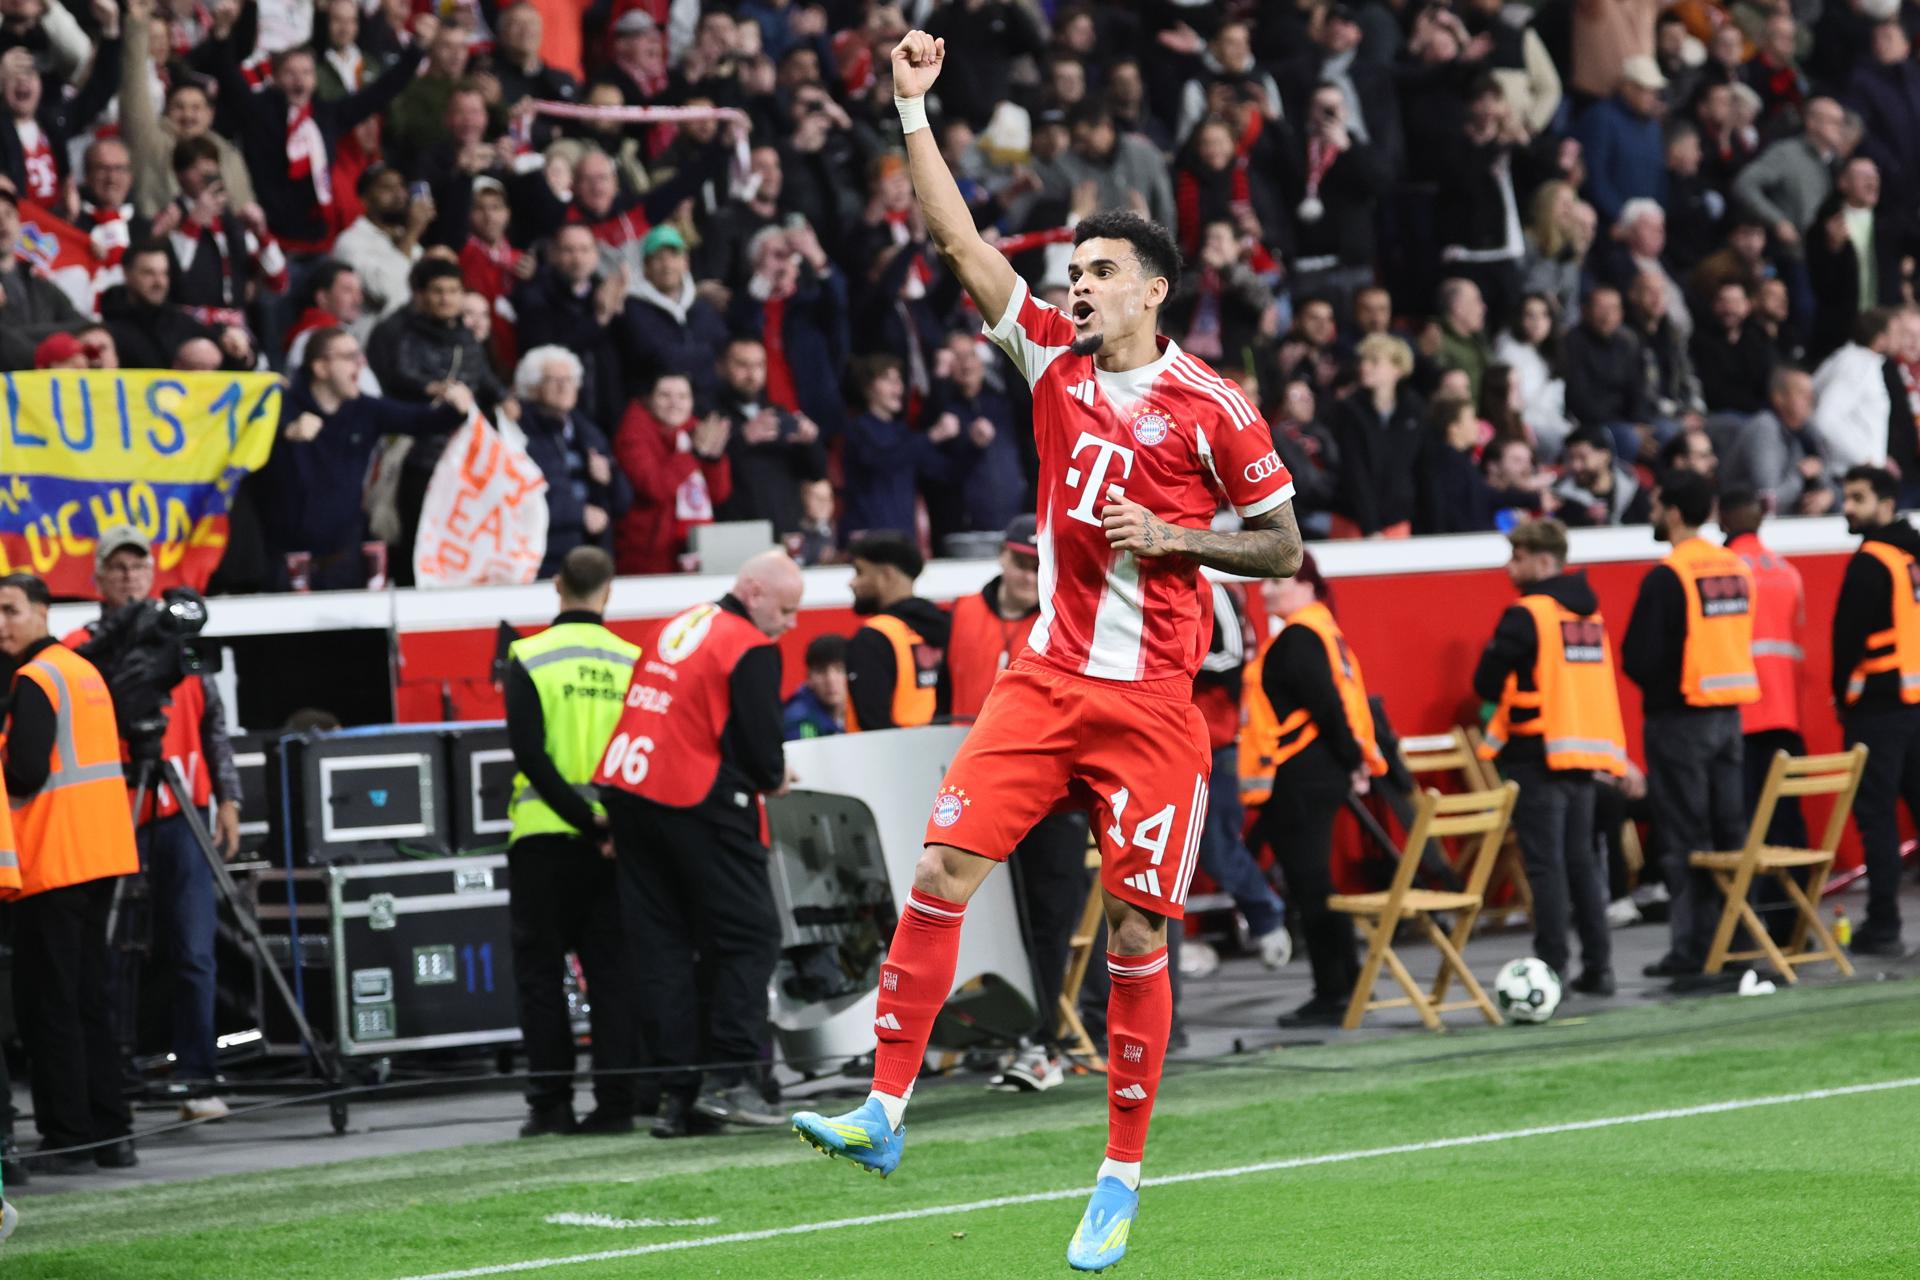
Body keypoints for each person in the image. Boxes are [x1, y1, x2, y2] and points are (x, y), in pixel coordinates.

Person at [791, 33, 1304, 1273]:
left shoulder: (1217, 407)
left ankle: (1120, 1175)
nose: (1075, 285)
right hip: (1046, 677)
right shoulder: (1051, 362)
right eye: (1071, 270)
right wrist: (913, 109)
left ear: (1152, 291)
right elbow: (961, 242)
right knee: (942, 870)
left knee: (1135, 935)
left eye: (1100, 271)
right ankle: (885, 1109)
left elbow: (1282, 544)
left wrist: (1175, 533)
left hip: (1152, 707)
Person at [596, 551, 802, 1136]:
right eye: (786, 609)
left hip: (630, 793)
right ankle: (733, 1079)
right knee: (750, 934)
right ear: (755, 591)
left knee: (663, 951)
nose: (791, 623)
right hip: (695, 800)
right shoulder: (747, 645)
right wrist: (773, 777)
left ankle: (678, 1096)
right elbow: (764, 759)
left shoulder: (677, 623)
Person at [64, 527, 241, 1121]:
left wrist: (229, 799)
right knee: (111, 953)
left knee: (195, 950)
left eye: (139, 567)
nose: (131, 578)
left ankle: (197, 1079)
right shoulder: (82, 648)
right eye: (118, 568)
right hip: (112, 812)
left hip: (178, 810)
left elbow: (213, 723)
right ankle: (110, 1080)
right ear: (98, 579)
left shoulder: (177, 638)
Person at [945, 514, 1092, 1091]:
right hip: (978, 787)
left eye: (1039, 565)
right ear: (1002, 560)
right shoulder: (960, 615)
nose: (1029, 575)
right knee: (974, 918)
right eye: (1020, 562)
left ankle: (1042, 1041)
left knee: (1046, 919)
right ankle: (995, 1034)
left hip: (1050, 793)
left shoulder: (1068, 618)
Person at [0, 572, 140, 1172]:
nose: (1, 624)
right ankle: (112, 1132)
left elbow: (26, 772)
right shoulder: (84, 671)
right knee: (90, 1000)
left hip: (54, 858)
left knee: (50, 1004)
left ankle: (68, 1137)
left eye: (10, 611)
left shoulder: (34, 679)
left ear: (41, 611)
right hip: (102, 853)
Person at [501, 547, 641, 1137]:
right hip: (615, 846)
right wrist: (610, 826)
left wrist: (583, 820)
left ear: (557, 586)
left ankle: (551, 1103)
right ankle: (616, 1105)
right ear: (609, 592)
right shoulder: (635, 662)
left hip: (542, 841)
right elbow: (643, 760)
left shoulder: (528, 657)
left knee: (541, 977)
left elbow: (530, 757)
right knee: (612, 976)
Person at [1474, 518, 1627, 994]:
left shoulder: (1528, 614)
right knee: (1581, 862)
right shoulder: (1589, 615)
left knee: (1545, 866)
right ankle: (1599, 967)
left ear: (1543, 560)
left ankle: (1551, 969)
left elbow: (1484, 682)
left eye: (1517, 556)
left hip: (1536, 754)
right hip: (1582, 755)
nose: (1508, 566)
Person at [1622, 471, 1760, 980]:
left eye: (1658, 507)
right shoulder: (1735, 566)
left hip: (1680, 719)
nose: (1654, 515)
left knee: (1685, 840)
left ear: (1674, 512)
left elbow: (1639, 656)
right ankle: (1739, 941)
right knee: (1729, 837)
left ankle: (1693, 950)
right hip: (1729, 715)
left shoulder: (1670, 574)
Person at [1240, 552, 1382, 1027]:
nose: (1264, 590)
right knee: (1317, 883)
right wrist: (1354, 762)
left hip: (1302, 777)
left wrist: (1351, 760)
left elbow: (1328, 707)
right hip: (1315, 773)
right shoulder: (1322, 632)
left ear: (1302, 582)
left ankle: (1333, 992)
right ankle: (1349, 983)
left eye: (1274, 581)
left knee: (1310, 886)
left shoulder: (1300, 637)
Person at [265, 327, 472, 590]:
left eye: (359, 355)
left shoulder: (365, 409)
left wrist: (456, 409)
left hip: (344, 558)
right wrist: (287, 432)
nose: (360, 364)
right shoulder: (281, 406)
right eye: (349, 356)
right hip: (286, 561)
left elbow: (420, 420)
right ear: (321, 367)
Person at [1830, 465, 1920, 957]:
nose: (1848, 507)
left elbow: (1846, 641)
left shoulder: (1870, 561)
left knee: (1877, 819)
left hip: (1879, 711)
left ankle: (1883, 925)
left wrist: (1841, 697)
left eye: (1857, 498)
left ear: (1886, 502)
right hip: (1916, 704)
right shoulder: (1912, 555)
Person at [843, 532, 951, 732]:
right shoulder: (950, 627)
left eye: (859, 572)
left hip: (885, 758)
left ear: (886, 575)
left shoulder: (874, 636)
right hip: (944, 755)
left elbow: (872, 724)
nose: (852, 583)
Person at [782, 634, 848, 740]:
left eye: (839, 670)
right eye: (821, 671)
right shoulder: (798, 719)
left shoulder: (866, 710)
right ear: (808, 677)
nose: (830, 680)